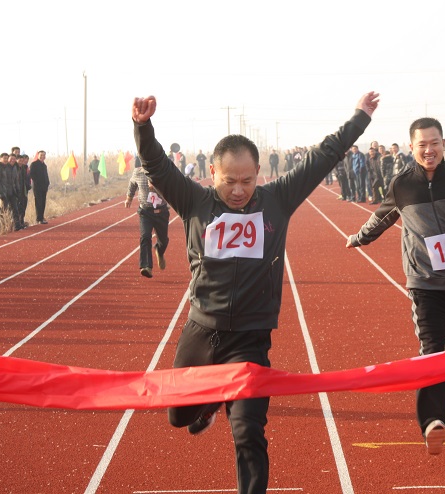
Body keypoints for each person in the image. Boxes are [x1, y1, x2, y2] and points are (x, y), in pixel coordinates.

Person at [132, 90, 379, 494]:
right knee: (178, 417)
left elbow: (323, 156)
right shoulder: (193, 200)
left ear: (259, 173)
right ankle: (209, 402)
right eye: (229, 181)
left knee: (248, 432)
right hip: (201, 331)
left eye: (247, 181)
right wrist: (143, 126)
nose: (238, 190)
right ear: (213, 172)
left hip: (250, 339)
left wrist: (360, 117)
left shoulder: (277, 200)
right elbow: (156, 164)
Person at [346, 117, 445, 455]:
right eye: (422, 144)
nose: (429, 150)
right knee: (431, 351)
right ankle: (433, 422)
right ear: (412, 147)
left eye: (435, 143)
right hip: (424, 283)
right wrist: (359, 238)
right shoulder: (402, 185)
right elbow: (382, 217)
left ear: (443, 144)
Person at [125, 163, 170, 278]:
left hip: (161, 212)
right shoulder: (138, 172)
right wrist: (129, 197)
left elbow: (172, 187)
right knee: (145, 237)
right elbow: (132, 184)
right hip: (145, 212)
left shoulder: (163, 172)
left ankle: (159, 250)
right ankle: (146, 266)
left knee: (163, 240)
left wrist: (157, 185)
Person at [30, 151, 50, 224]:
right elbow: (32, 175)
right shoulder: (34, 164)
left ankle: (42, 217)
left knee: (43, 202)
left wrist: (47, 183)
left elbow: (46, 176)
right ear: (38, 156)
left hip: (44, 187)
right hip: (37, 187)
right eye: (41, 155)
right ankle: (39, 218)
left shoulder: (44, 165)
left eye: (44, 155)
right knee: (39, 202)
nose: (42, 157)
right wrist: (38, 183)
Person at [15, 154, 31, 229]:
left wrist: (28, 186)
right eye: (21, 160)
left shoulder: (24, 168)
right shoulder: (15, 168)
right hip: (17, 191)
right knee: (18, 207)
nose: (23, 161)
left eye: (26, 159)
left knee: (23, 206)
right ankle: (17, 223)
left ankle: (21, 221)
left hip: (24, 190)